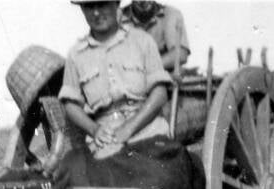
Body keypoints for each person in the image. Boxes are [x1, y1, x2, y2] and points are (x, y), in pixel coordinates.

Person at [59, 0, 173, 159]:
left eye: (102, 4)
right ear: (82, 10)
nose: (96, 13)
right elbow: (70, 104)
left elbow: (160, 93)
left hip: (148, 130)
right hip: (106, 139)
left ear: (116, 4)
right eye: (89, 7)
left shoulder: (142, 41)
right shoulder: (76, 54)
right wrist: (94, 129)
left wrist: (129, 128)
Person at [121, 1, 190, 73]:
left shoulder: (170, 14)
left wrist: (148, 67)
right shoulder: (118, 17)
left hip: (162, 75)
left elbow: (181, 54)